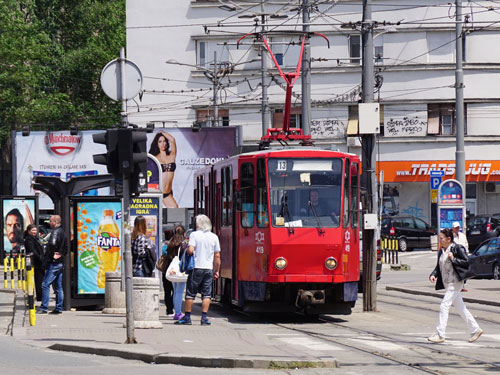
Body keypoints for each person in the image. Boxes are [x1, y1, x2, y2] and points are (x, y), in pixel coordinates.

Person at [427, 228, 483, 343]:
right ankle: (475, 329)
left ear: (448, 239)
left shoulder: (457, 248)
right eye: (439, 239)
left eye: (441, 238)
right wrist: (434, 274)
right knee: (461, 308)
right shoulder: (442, 251)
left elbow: (467, 262)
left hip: (456, 282)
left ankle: (440, 334)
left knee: (444, 305)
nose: (440, 241)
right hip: (447, 283)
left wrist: (454, 259)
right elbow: (439, 266)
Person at [176, 215, 220, 326]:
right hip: (208, 268)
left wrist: (187, 249)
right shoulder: (214, 237)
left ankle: (187, 317)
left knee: (190, 293)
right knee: (206, 294)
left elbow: (190, 250)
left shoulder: (194, 235)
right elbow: (217, 256)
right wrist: (216, 270)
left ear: (198, 224)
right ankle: (204, 318)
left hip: (196, 268)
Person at [37, 215, 67, 314]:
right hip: (60, 262)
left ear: (55, 222)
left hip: (54, 263)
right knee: (58, 287)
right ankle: (59, 308)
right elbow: (66, 248)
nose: (49, 223)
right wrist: (61, 254)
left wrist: (50, 254)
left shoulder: (55, 232)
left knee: (45, 285)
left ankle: (44, 307)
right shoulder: (62, 232)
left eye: (50, 221)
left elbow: (52, 244)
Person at [149, 131, 178, 208]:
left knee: (175, 209)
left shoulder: (172, 155)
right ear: (157, 144)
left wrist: (161, 132)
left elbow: (172, 140)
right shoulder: (154, 158)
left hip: (167, 193)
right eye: (160, 141)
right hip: (156, 192)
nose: (163, 143)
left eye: (164, 141)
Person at [165, 225, 188, 321]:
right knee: (179, 292)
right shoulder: (183, 244)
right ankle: (178, 312)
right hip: (180, 269)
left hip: (172, 269)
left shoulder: (170, 243)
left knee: (175, 291)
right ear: (183, 233)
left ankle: (176, 311)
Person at [23, 224, 45, 302]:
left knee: (40, 280)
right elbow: (33, 251)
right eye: (33, 230)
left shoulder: (34, 238)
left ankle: (40, 296)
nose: (34, 232)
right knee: (39, 281)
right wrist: (40, 258)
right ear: (28, 231)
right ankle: (40, 296)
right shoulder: (29, 240)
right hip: (36, 263)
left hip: (38, 262)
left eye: (35, 230)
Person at [452, 221, 469, 292]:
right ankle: (459, 286)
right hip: (456, 256)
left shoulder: (462, 235)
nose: (457, 229)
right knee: (457, 272)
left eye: (458, 227)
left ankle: (462, 286)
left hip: (463, 255)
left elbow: (466, 244)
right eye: (455, 228)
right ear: (453, 228)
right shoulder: (451, 236)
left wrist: (467, 252)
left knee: (464, 271)